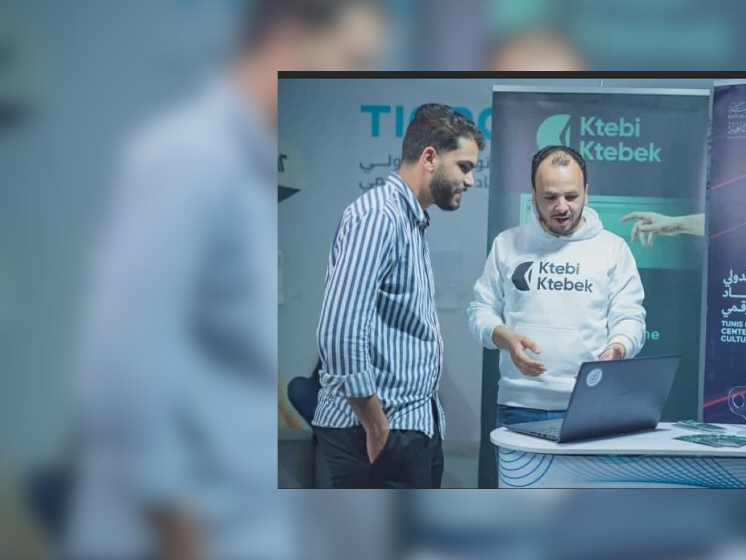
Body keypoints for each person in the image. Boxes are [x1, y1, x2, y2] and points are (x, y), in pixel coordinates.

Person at [66, 0, 388, 557]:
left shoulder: (250, 171)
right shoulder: (188, 157)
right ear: (288, 36)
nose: (360, 76)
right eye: (354, 58)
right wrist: (184, 535)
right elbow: (125, 363)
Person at [312, 103, 485, 489]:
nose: (470, 181)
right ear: (429, 158)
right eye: (464, 167)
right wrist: (377, 427)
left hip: (406, 426)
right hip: (375, 433)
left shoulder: (409, 219)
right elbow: (339, 333)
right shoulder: (379, 217)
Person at [468, 145, 646, 427]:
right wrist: (504, 337)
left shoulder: (613, 248)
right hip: (520, 404)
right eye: (550, 197)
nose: (561, 207)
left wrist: (618, 349)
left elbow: (630, 318)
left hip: (592, 403)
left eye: (572, 196)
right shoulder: (507, 244)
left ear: (586, 191)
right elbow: (480, 311)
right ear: (534, 195)